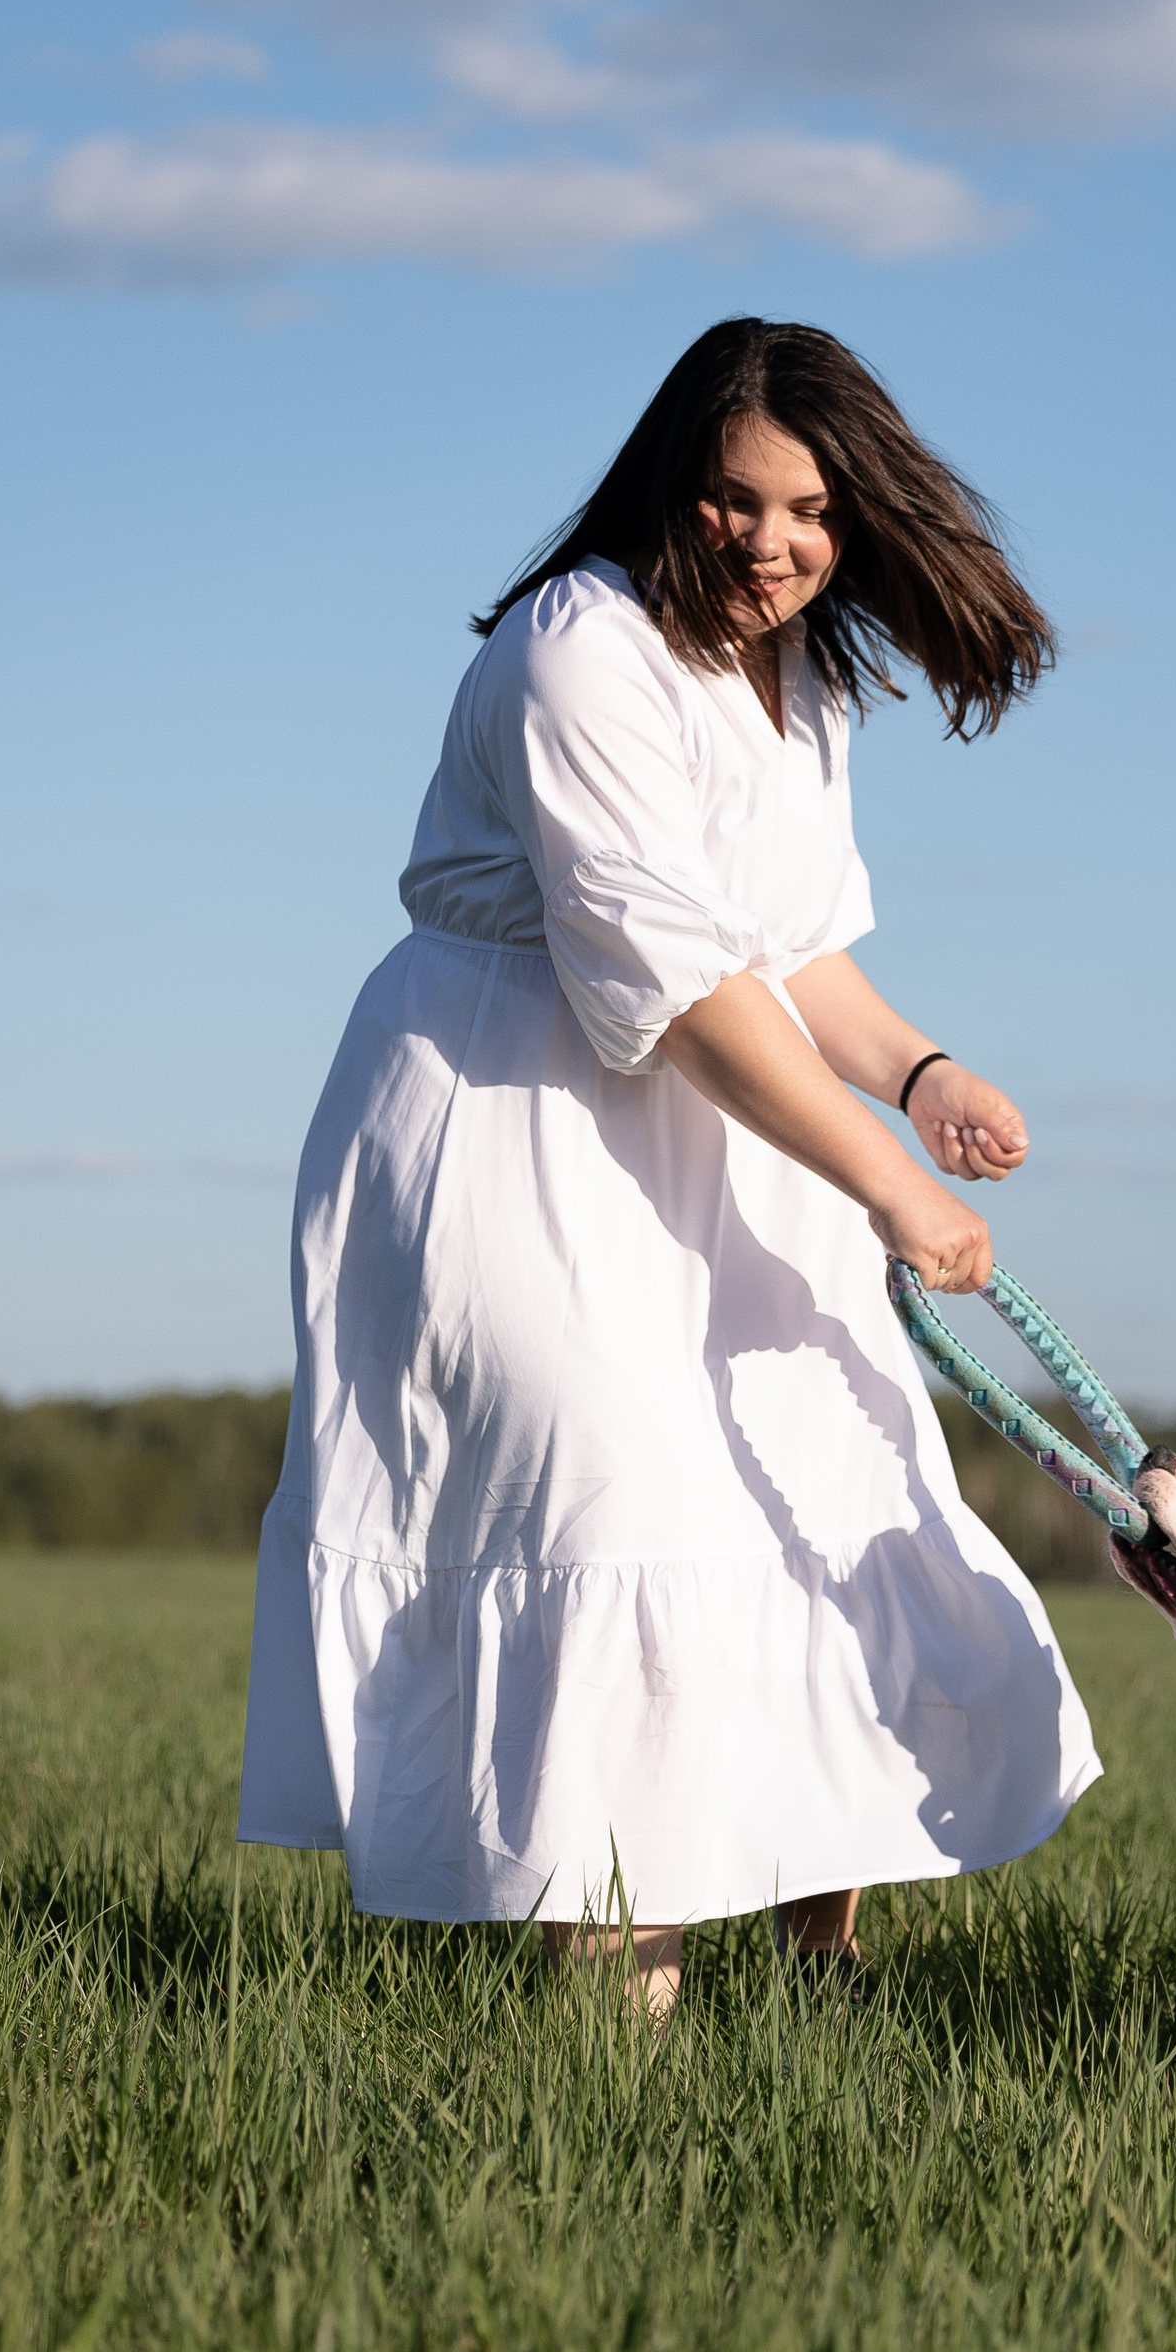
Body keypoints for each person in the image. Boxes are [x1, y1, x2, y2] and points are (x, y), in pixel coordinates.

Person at [237, 319, 1099, 2013]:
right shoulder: (584, 648)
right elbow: (677, 981)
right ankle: (612, 2043)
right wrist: (889, 1185)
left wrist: (921, 1079)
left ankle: (808, 1989)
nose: (771, 543)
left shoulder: (806, 681)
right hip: (522, 1126)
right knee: (619, 1515)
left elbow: (799, 959)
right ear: (670, 482)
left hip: (737, 1129)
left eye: (813, 513)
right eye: (735, 499)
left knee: (824, 1507)